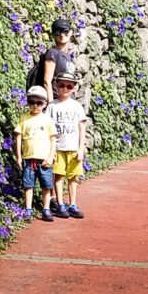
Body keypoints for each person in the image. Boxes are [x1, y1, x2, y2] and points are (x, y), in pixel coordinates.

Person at [14, 85, 58, 222]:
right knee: (28, 185)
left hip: (44, 160)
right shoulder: (24, 119)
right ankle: (28, 209)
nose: (35, 106)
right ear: (27, 102)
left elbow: (53, 140)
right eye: (32, 102)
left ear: (45, 104)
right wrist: (19, 157)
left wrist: (51, 156)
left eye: (39, 103)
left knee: (46, 185)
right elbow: (18, 138)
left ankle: (46, 209)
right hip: (28, 159)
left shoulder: (48, 120)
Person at [48, 71, 87, 218]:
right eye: (62, 85)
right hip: (58, 148)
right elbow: (48, 129)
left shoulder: (76, 106)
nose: (65, 89)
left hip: (73, 148)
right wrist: (51, 151)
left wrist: (81, 148)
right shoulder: (52, 107)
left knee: (73, 177)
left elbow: (82, 128)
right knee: (58, 176)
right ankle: (60, 204)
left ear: (74, 88)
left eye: (69, 86)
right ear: (56, 86)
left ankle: (73, 204)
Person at [34, 18, 75, 105]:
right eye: (58, 31)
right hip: (57, 102)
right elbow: (47, 81)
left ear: (71, 32)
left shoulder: (68, 57)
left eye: (65, 30)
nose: (62, 34)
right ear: (54, 35)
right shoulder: (52, 53)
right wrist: (51, 105)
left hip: (68, 103)